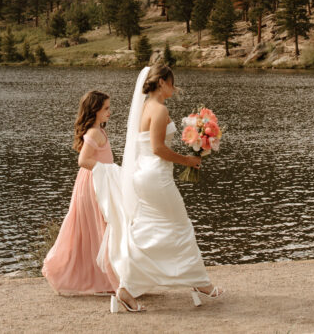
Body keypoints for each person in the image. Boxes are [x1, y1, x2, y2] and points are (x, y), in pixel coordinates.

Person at [93, 64, 224, 313]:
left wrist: (197, 139)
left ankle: (127, 289)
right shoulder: (160, 109)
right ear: (162, 82)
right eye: (172, 82)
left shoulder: (145, 107)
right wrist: (189, 160)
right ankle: (200, 283)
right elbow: (158, 149)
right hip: (156, 177)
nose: (174, 87)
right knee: (181, 226)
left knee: (151, 229)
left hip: (146, 176)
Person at [41, 90, 122, 298]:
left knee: (99, 230)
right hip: (94, 185)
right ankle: (102, 278)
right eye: (106, 109)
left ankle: (101, 278)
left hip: (98, 182)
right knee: (100, 228)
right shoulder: (94, 133)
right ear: (94, 110)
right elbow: (83, 160)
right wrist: (110, 170)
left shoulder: (99, 130)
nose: (109, 112)